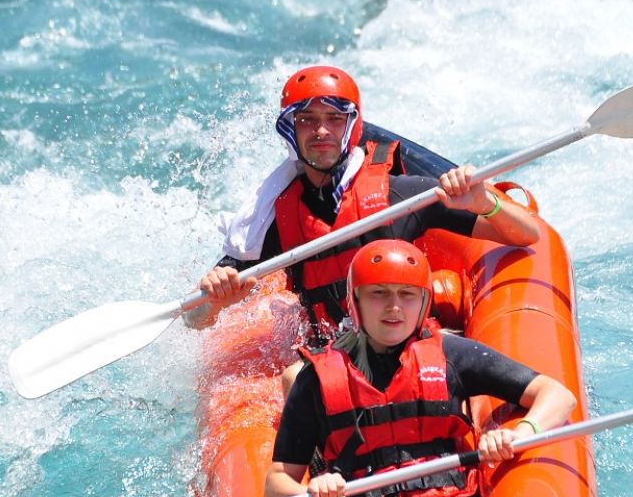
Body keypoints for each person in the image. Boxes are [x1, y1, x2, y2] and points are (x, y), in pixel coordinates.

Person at [263, 240, 577, 497]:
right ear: (355, 302)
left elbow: (557, 396)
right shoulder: (316, 380)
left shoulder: (452, 355)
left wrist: (519, 432)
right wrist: (311, 492)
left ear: (423, 302)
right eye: (378, 294)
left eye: (406, 295)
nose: (394, 307)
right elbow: (277, 481)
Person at [185, 65, 540, 339]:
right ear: (290, 130)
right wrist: (217, 298)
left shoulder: (400, 194)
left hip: (407, 344)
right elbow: (193, 319)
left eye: (334, 119)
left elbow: (526, 234)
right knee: (293, 379)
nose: (321, 130)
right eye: (307, 120)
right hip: (331, 360)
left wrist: (484, 202)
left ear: (351, 125)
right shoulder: (274, 221)